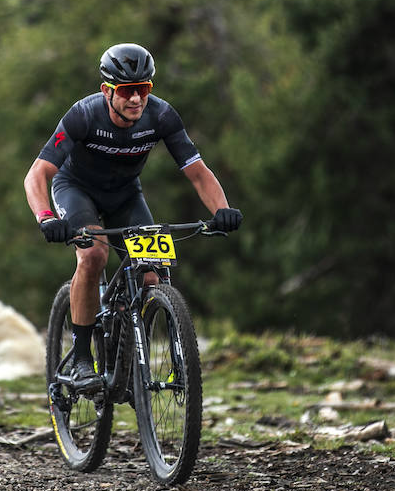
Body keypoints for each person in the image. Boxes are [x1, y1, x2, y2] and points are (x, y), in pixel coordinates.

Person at [23, 43, 242, 391]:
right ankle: (81, 359)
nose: (136, 99)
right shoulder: (83, 115)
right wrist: (46, 218)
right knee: (94, 254)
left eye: (144, 89)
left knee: (152, 275)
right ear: (106, 91)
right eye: (127, 91)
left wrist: (222, 210)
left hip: (125, 195)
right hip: (76, 189)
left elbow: (198, 172)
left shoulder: (162, 116)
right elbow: (36, 174)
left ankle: (124, 351)